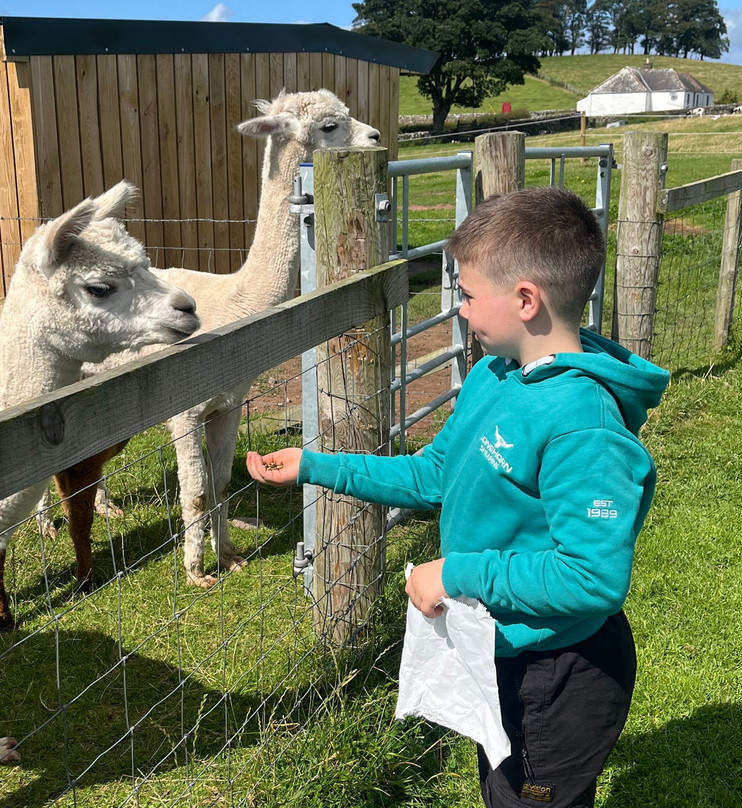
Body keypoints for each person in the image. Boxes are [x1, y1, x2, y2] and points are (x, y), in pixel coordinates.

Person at [246, 185, 670, 808]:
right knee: (504, 790)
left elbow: (593, 578)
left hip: (558, 670)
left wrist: (457, 573)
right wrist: (315, 465)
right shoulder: (494, 376)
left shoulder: (584, 425)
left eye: (468, 296)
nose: (461, 312)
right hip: (497, 647)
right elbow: (431, 476)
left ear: (526, 300)